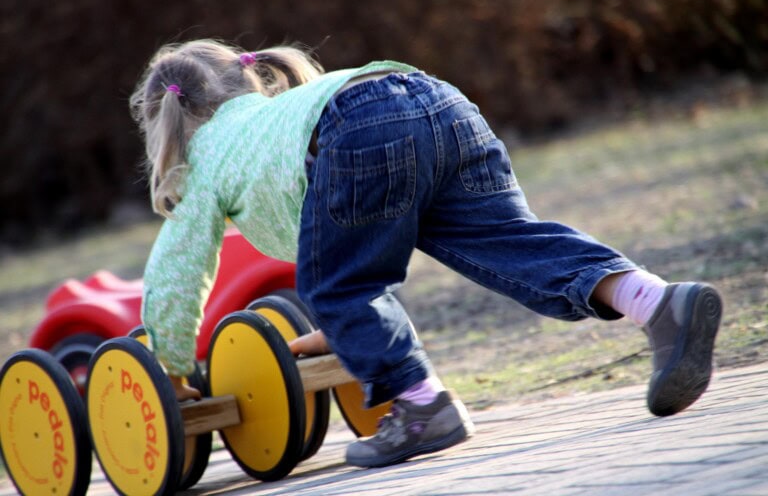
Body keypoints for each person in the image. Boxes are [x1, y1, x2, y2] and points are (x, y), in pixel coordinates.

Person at [131, 38, 722, 469]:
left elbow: (180, 273)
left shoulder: (205, 159)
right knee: (511, 243)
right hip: (433, 96)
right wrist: (345, 333)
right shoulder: (275, 119)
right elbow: (348, 234)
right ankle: (659, 303)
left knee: (334, 288)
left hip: (357, 125)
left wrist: (171, 361)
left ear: (169, 128)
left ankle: (422, 408)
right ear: (246, 78)